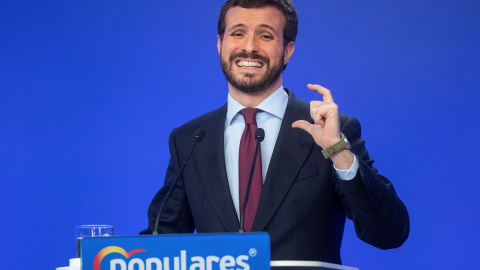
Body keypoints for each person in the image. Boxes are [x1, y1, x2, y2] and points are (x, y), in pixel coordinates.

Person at [141, 0, 409, 264]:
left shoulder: (332, 132)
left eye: (266, 35)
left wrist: (338, 151)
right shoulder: (190, 139)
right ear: (220, 44)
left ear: (288, 50)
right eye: (238, 33)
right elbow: (159, 244)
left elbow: (389, 233)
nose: (249, 47)